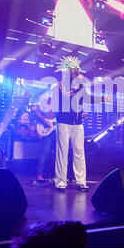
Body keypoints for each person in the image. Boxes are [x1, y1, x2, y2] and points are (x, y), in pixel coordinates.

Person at [51, 56, 110, 191]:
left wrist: (102, 98)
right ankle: (60, 181)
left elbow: (87, 98)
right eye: (74, 69)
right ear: (67, 71)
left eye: (77, 69)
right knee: (63, 152)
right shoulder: (60, 86)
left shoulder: (80, 86)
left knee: (79, 152)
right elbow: (62, 100)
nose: (77, 71)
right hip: (64, 122)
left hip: (78, 123)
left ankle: (81, 182)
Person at [32, 100, 56, 182]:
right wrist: (44, 120)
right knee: (45, 152)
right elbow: (37, 111)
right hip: (47, 129)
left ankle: (58, 175)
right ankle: (39, 174)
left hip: (58, 129)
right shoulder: (49, 98)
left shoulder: (63, 101)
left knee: (60, 152)